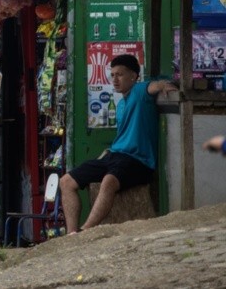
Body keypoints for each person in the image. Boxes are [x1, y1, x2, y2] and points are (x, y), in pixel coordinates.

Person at [59, 55, 177, 234]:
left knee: (109, 181)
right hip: (114, 156)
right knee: (66, 182)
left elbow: (154, 87)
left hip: (138, 161)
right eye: (112, 75)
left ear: (133, 76)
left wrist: (162, 85)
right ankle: (71, 233)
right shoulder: (121, 104)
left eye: (120, 74)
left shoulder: (139, 91)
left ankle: (85, 231)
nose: (114, 79)